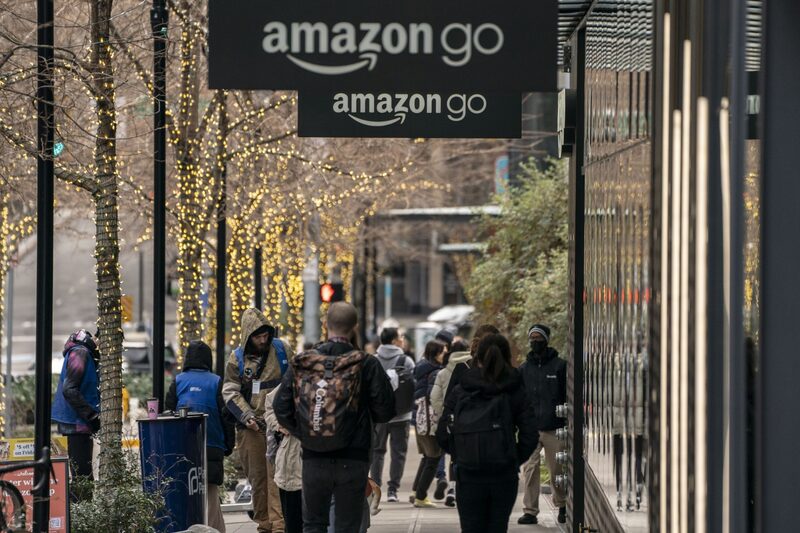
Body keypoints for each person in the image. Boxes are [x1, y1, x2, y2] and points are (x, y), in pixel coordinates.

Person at [273, 302, 395, 533]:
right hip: (354, 457)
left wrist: (306, 433)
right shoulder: (366, 363)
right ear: (355, 327)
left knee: (313, 524)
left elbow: (281, 407)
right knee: (347, 524)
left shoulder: (304, 362)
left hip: (313, 457)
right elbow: (385, 410)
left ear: (325, 325)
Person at [438, 334, 538, 533]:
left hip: (468, 474)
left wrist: (462, 455)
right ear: (507, 356)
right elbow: (530, 434)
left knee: (471, 528)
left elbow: (442, 433)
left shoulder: (462, 388)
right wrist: (513, 457)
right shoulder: (514, 388)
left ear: (478, 357)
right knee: (497, 527)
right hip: (503, 474)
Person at [222, 308, 293, 533]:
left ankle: (280, 526)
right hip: (251, 430)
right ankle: (264, 524)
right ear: (248, 336)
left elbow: (296, 381)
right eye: (257, 336)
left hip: (279, 426)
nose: (263, 340)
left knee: (278, 479)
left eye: (265, 335)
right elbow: (230, 391)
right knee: (258, 480)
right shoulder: (236, 359)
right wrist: (247, 416)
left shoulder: (281, 350)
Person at [165, 340, 234, 533]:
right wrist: (228, 444)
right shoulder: (216, 381)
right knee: (210, 493)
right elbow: (226, 417)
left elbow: (168, 412)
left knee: (189, 490)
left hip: (184, 446)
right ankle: (214, 529)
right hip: (212, 445)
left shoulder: (178, 380)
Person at [517, 324, 568, 525]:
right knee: (529, 469)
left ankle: (562, 504)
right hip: (530, 428)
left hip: (554, 427)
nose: (535, 341)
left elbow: (567, 396)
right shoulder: (523, 369)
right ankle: (530, 510)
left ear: (546, 339)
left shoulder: (560, 366)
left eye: (539, 338)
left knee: (557, 470)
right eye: (532, 338)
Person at [51, 329, 100, 501]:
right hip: (76, 424)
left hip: (76, 422)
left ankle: (80, 515)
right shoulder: (80, 353)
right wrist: (92, 415)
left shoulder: (82, 352)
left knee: (81, 475)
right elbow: (69, 389)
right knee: (82, 477)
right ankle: (80, 518)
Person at [370, 327, 415, 503]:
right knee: (399, 453)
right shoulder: (407, 361)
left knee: (377, 452)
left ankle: (376, 488)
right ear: (395, 341)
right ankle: (392, 490)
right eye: (401, 337)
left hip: (379, 415)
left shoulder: (373, 360)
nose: (402, 339)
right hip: (401, 414)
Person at [430, 339, 469, 507]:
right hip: (471, 418)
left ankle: (449, 486)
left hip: (451, 419)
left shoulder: (443, 372)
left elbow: (434, 397)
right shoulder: (472, 367)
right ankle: (460, 489)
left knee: (450, 453)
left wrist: (443, 414)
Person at [410, 340, 446, 507]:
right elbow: (434, 398)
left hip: (420, 418)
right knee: (433, 458)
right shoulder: (435, 372)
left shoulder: (422, 368)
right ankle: (420, 496)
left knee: (427, 457)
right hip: (431, 421)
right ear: (436, 353)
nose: (445, 354)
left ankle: (416, 491)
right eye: (443, 352)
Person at [264, 385, 303, 533]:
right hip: (290, 461)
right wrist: (279, 425)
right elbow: (269, 402)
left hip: (316, 460)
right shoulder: (295, 375)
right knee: (293, 520)